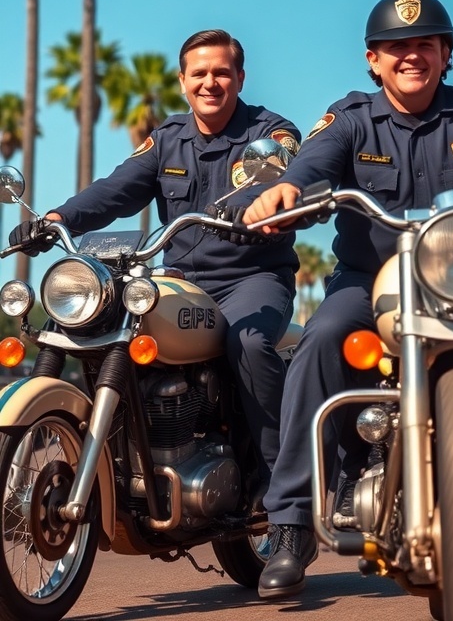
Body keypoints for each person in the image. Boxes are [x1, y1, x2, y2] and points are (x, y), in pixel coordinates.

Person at [242, 0, 453, 599]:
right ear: (374, 60)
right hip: (373, 282)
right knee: (320, 340)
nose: (411, 56)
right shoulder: (351, 118)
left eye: (425, 44)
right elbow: (312, 164)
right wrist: (287, 191)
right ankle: (291, 523)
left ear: (446, 54)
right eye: (397, 47)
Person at [9, 28, 301, 508]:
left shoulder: (270, 134)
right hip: (180, 282)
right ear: (183, 80)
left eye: (222, 73)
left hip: (251, 279)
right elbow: (116, 189)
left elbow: (279, 176)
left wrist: (250, 206)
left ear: (241, 78)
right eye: (200, 73)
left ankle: (279, 481)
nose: (211, 82)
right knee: (97, 328)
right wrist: (56, 219)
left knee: (246, 341)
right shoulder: (167, 139)